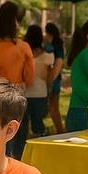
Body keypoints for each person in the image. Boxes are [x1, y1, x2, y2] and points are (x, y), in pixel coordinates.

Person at [0, 1, 34, 156]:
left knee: (2, 139)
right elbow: (30, 79)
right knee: (19, 138)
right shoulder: (24, 47)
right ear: (15, 23)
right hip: (19, 97)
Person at [17, 25, 54, 156]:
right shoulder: (47, 57)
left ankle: (20, 154)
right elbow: (49, 78)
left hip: (24, 93)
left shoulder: (22, 54)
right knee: (38, 124)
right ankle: (40, 153)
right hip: (40, 93)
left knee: (22, 126)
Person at [43, 22, 65, 133]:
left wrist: (50, 80)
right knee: (54, 107)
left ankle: (60, 130)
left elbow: (58, 63)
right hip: (56, 79)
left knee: (53, 107)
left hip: (53, 80)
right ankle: (60, 129)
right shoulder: (58, 45)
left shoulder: (52, 47)